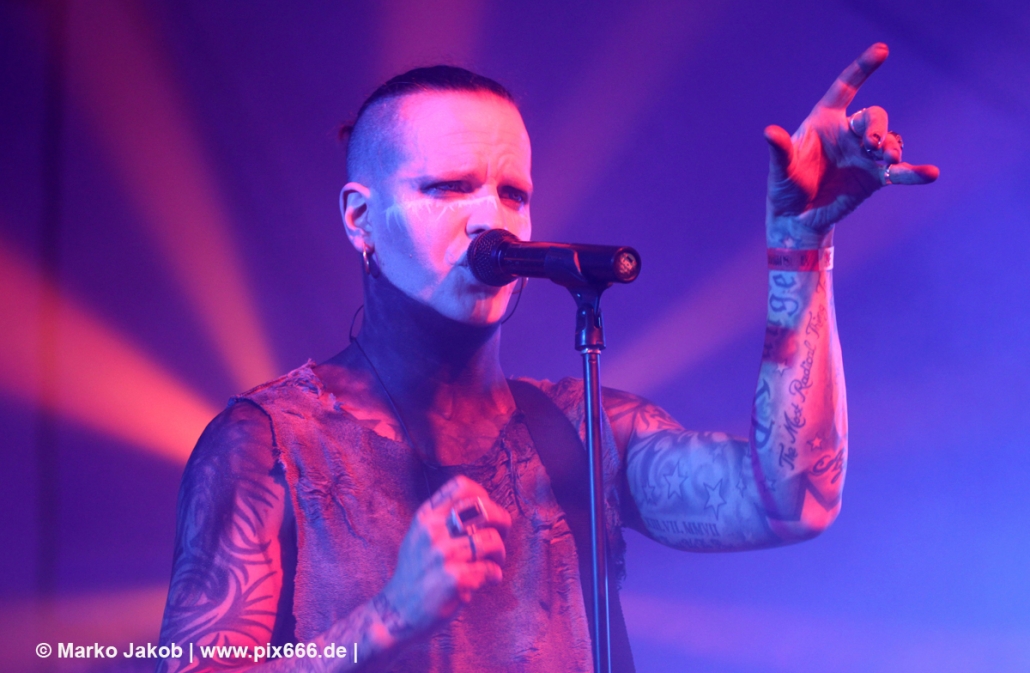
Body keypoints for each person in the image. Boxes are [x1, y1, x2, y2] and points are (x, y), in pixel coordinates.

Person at [156, 43, 938, 672]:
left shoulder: (581, 426)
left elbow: (794, 501)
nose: (490, 219)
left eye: (513, 194)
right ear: (360, 218)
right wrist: (389, 615)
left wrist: (801, 248)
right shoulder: (269, 441)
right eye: (449, 188)